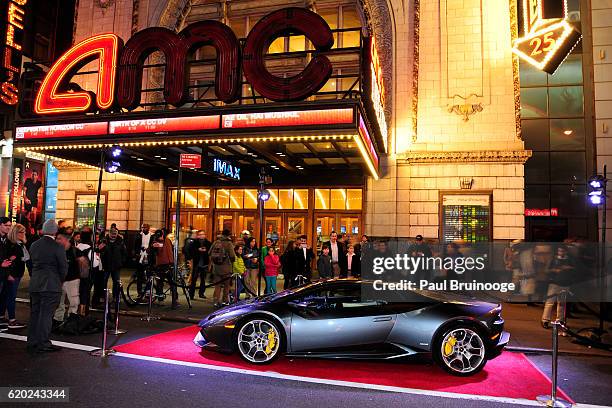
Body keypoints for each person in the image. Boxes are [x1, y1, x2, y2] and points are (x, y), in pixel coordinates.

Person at [27, 219, 67, 353]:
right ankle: (43, 342)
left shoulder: (34, 245)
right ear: (55, 232)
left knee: (35, 313)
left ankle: (32, 341)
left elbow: (32, 264)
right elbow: (63, 267)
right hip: (51, 283)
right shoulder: (58, 247)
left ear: (43, 230)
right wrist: (60, 280)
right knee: (46, 314)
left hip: (36, 283)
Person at [0, 223, 29, 329]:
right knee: (10, 296)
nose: (24, 233)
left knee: (6, 295)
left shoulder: (19, 243)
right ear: (16, 233)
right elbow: (7, 260)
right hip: (13, 274)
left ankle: (2, 316)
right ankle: (12, 320)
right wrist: (9, 274)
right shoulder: (11, 244)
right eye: (22, 231)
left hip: (17, 273)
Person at [541, 245, 575, 328]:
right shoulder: (553, 259)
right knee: (550, 302)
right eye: (559, 251)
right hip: (554, 283)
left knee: (562, 304)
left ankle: (560, 320)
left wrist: (569, 268)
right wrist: (555, 270)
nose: (561, 253)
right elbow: (546, 270)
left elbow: (575, 269)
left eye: (562, 251)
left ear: (566, 252)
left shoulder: (569, 260)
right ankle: (545, 320)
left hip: (565, 283)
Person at [53, 230, 80, 324]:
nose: (57, 240)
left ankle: (71, 319)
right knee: (58, 301)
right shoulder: (55, 250)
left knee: (74, 301)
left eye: (60, 239)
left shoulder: (75, 251)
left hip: (72, 280)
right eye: (56, 238)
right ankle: (57, 319)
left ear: (66, 240)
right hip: (59, 280)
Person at [99, 227, 127, 305]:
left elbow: (124, 252)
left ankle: (115, 296)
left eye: (115, 234)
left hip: (116, 265)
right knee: (103, 281)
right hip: (106, 265)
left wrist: (122, 262)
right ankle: (102, 296)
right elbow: (100, 250)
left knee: (116, 282)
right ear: (109, 234)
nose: (114, 235)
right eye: (112, 234)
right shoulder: (104, 240)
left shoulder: (120, 241)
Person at [151, 229, 178, 308]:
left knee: (172, 283)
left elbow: (171, 250)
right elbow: (154, 251)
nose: (161, 237)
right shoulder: (155, 242)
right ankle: (160, 300)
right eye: (159, 236)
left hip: (169, 264)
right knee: (160, 283)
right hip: (161, 265)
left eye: (161, 235)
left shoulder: (167, 240)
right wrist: (154, 247)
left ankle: (174, 301)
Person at [210, 229, 236, 307]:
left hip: (216, 267)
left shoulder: (216, 242)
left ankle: (216, 301)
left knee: (217, 285)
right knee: (226, 285)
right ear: (228, 235)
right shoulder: (229, 243)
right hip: (226, 268)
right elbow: (232, 256)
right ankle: (225, 301)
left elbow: (209, 252)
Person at [75, 229, 98, 314]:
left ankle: (76, 312)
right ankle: (83, 312)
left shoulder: (76, 247)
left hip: (76, 275)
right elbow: (95, 263)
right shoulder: (89, 249)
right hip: (86, 275)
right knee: (85, 293)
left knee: (77, 293)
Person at [188, 230, 211, 300]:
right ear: (198, 235)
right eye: (200, 234)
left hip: (204, 263)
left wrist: (206, 250)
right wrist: (198, 250)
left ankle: (201, 293)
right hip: (196, 263)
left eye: (203, 234)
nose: (202, 236)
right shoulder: (194, 242)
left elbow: (210, 251)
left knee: (203, 279)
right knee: (194, 279)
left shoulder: (208, 243)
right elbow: (190, 251)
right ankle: (191, 294)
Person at [0, 217, 13, 332]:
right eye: (6, 225)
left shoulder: (6, 240)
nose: (8, 227)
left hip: (3, 275)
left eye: (10, 226)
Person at [134, 224, 152, 298]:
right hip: (140, 257)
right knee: (139, 276)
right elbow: (135, 246)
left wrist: (149, 249)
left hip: (148, 257)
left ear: (148, 228)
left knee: (149, 275)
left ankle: (148, 292)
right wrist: (137, 252)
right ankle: (139, 292)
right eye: (142, 227)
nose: (143, 229)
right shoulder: (138, 235)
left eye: (145, 227)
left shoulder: (152, 236)